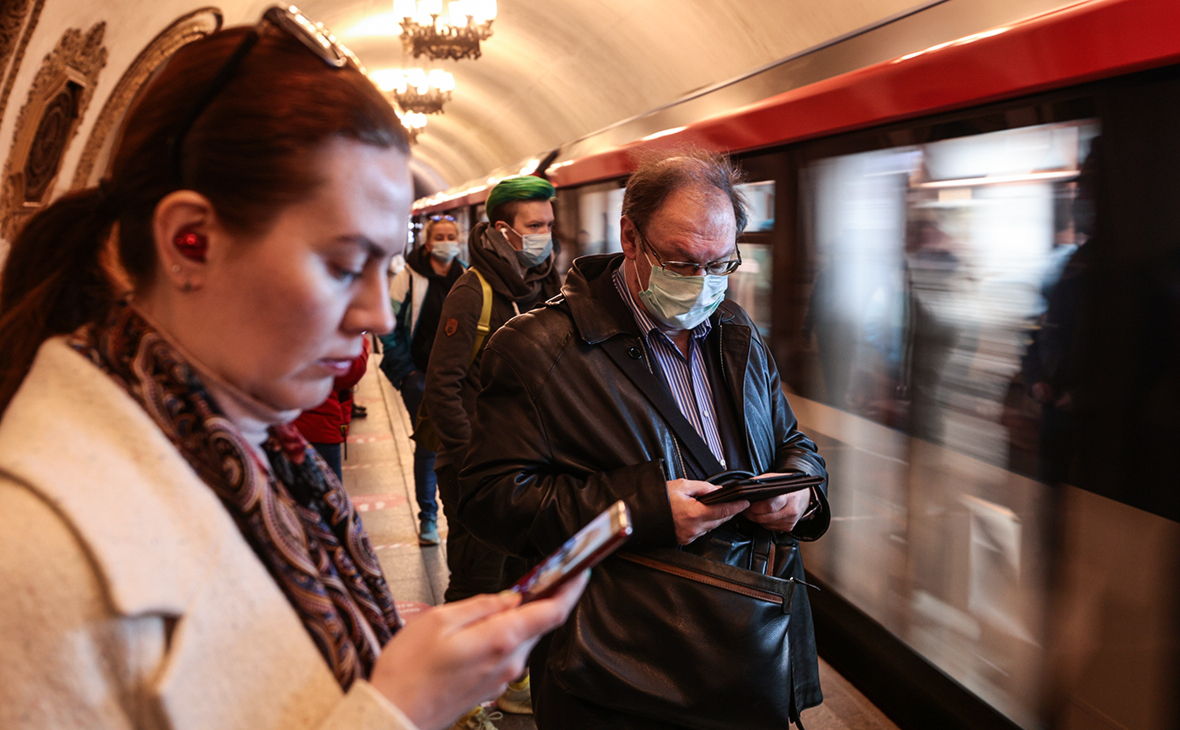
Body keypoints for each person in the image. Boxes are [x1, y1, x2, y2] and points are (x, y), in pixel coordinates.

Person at [0, 8, 585, 730]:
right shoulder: (33, 551)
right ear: (191, 241)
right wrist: (398, 710)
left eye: (383, 263)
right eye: (344, 266)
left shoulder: (252, 456)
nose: (376, 315)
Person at [459, 151, 831, 729]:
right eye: (681, 263)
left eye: (720, 264)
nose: (703, 284)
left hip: (749, 653)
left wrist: (801, 495)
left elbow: (791, 441)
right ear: (631, 238)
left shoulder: (735, 330)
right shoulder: (538, 350)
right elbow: (489, 500)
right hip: (623, 674)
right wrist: (643, 510)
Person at [423, 176, 563, 728]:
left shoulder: (535, 286)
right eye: (535, 227)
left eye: (549, 225)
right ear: (504, 230)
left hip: (521, 468)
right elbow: (442, 385)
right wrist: (471, 458)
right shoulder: (473, 289)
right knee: (473, 579)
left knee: (510, 575)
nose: (545, 236)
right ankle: (457, 698)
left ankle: (506, 682)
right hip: (474, 469)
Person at [379, 215, 465, 545]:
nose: (446, 242)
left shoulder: (467, 275)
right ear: (428, 244)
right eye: (439, 237)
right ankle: (428, 517)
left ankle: (457, 513)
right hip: (420, 375)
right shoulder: (407, 278)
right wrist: (407, 374)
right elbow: (387, 327)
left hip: (456, 378)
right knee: (429, 446)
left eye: (451, 236)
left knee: (457, 442)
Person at [295, 344, 368, 481]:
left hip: (279, 424)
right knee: (328, 496)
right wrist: (359, 341)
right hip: (316, 422)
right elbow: (349, 374)